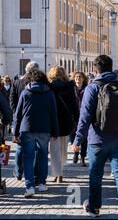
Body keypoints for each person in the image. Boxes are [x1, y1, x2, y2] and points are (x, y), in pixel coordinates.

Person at [73, 55, 118, 219]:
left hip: (98, 139)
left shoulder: (92, 88)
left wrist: (78, 140)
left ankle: (94, 208)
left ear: (95, 70)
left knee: (95, 174)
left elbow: (85, 116)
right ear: (111, 67)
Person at [13, 69, 59, 198]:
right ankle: (42, 183)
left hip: (27, 129)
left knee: (28, 158)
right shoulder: (49, 93)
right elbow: (54, 114)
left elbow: (18, 114)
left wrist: (15, 132)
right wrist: (55, 131)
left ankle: (30, 186)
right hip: (45, 129)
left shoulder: (25, 92)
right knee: (43, 156)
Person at [48, 66, 79, 183]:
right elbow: (74, 105)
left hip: (53, 121)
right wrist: (77, 120)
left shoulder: (49, 87)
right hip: (65, 121)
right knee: (63, 148)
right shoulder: (69, 87)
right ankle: (60, 172)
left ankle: (57, 173)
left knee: (54, 149)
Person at [10, 61, 40, 181]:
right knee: (36, 149)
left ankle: (18, 171)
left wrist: (17, 113)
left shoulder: (17, 82)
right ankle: (34, 174)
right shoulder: (40, 83)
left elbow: (12, 100)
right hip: (36, 119)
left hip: (20, 119)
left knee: (20, 147)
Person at [71, 71, 88, 167]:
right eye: (76, 76)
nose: (78, 78)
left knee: (84, 138)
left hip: (84, 115)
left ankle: (83, 157)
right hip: (74, 116)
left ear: (83, 78)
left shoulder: (87, 89)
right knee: (74, 136)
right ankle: (75, 153)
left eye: (80, 76)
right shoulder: (72, 89)